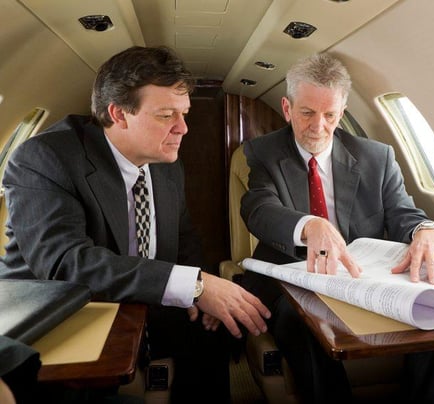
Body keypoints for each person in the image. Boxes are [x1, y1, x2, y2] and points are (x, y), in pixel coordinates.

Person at [0, 46, 271, 403]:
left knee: (214, 335)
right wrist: (195, 286)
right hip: (66, 309)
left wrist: (201, 289)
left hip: (143, 296)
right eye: (166, 115)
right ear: (118, 114)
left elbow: (185, 240)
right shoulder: (45, 158)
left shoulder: (167, 164)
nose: (183, 128)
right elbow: (65, 262)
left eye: (184, 113)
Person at [240, 53, 434, 403]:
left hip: (362, 281)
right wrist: (311, 226)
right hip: (293, 281)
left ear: (341, 113)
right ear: (287, 108)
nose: (318, 126)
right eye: (307, 113)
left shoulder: (377, 157)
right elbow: (259, 210)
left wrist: (428, 230)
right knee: (305, 325)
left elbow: (403, 213)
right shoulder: (263, 152)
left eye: (329, 115)